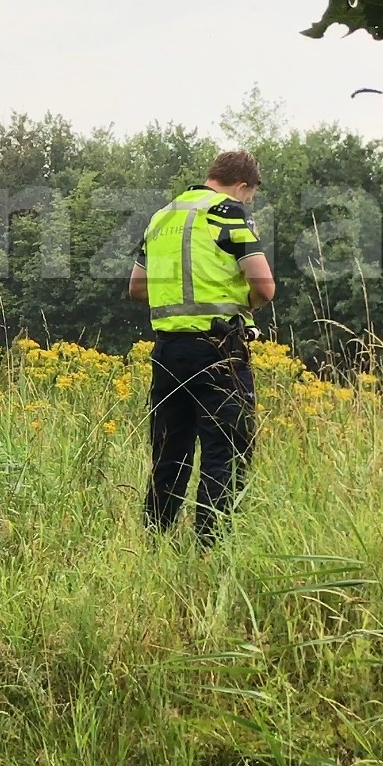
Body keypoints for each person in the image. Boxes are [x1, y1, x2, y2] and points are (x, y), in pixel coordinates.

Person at [128, 150, 276, 542]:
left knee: (168, 454)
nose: (248, 202)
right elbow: (265, 287)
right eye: (251, 195)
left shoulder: (163, 217)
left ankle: (155, 541)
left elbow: (137, 288)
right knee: (224, 451)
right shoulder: (229, 212)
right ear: (243, 186)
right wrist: (247, 305)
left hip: (168, 352)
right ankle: (211, 548)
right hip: (219, 349)